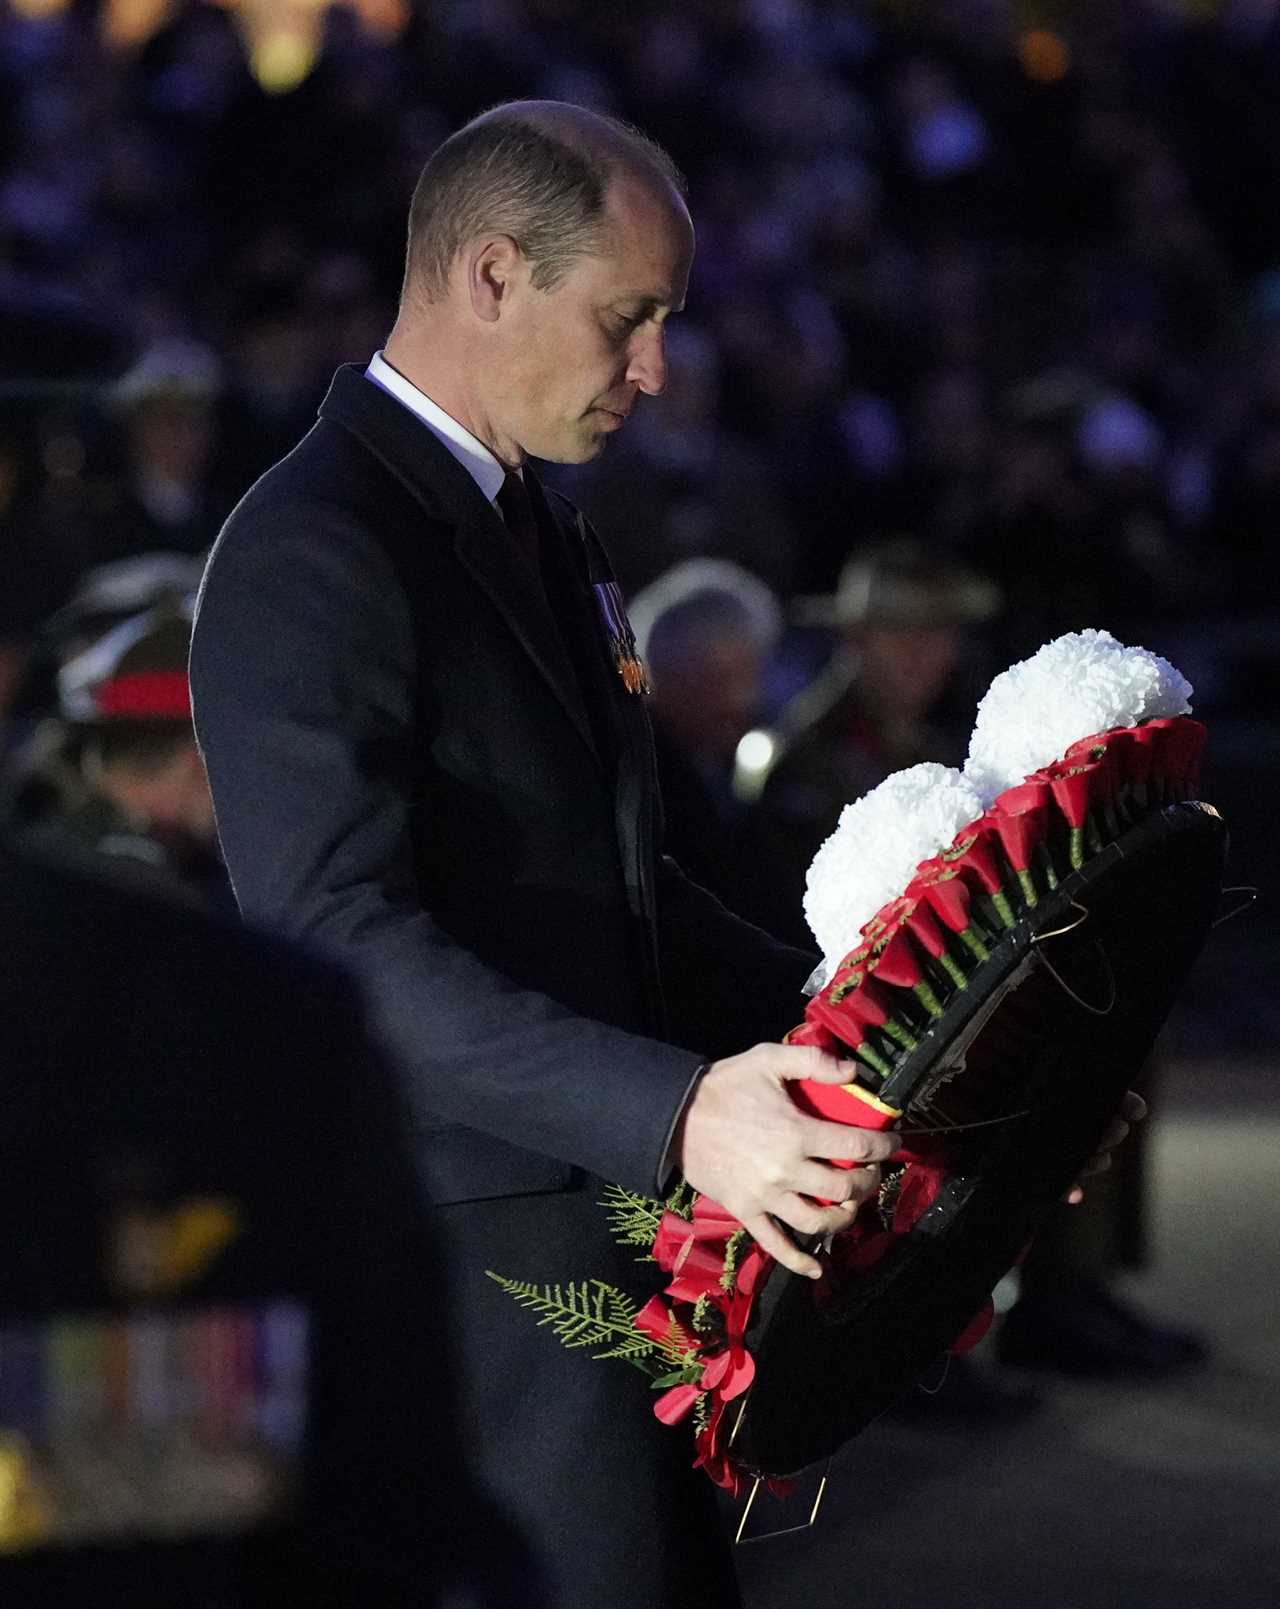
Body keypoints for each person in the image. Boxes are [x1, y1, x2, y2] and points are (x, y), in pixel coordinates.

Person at [190, 101, 1136, 1606]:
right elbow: (336, 948)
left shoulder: (542, 530)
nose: (654, 370)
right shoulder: (313, 546)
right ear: (492, 276)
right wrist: (684, 1111)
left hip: (616, 1250)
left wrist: (915, 1050)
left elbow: (637, 896)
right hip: (474, 1289)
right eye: (628, 318)